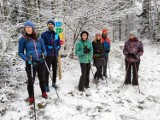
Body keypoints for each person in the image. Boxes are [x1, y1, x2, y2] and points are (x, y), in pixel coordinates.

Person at [18, 20, 48, 105]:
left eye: (29, 27)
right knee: (31, 80)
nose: (27, 29)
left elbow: (44, 50)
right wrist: (27, 60)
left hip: (40, 62)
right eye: (26, 27)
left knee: (42, 77)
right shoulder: (23, 39)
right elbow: (20, 52)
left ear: (33, 28)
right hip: (30, 63)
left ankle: (44, 92)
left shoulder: (39, 38)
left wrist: (43, 56)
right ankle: (31, 96)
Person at [41, 20, 61, 92]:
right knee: (47, 70)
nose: (50, 25)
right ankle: (46, 85)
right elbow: (42, 44)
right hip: (48, 55)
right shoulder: (44, 34)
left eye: (51, 24)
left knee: (55, 69)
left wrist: (57, 48)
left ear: (53, 26)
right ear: (47, 25)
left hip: (54, 55)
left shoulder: (56, 35)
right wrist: (47, 47)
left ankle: (54, 83)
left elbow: (59, 44)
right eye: (49, 24)